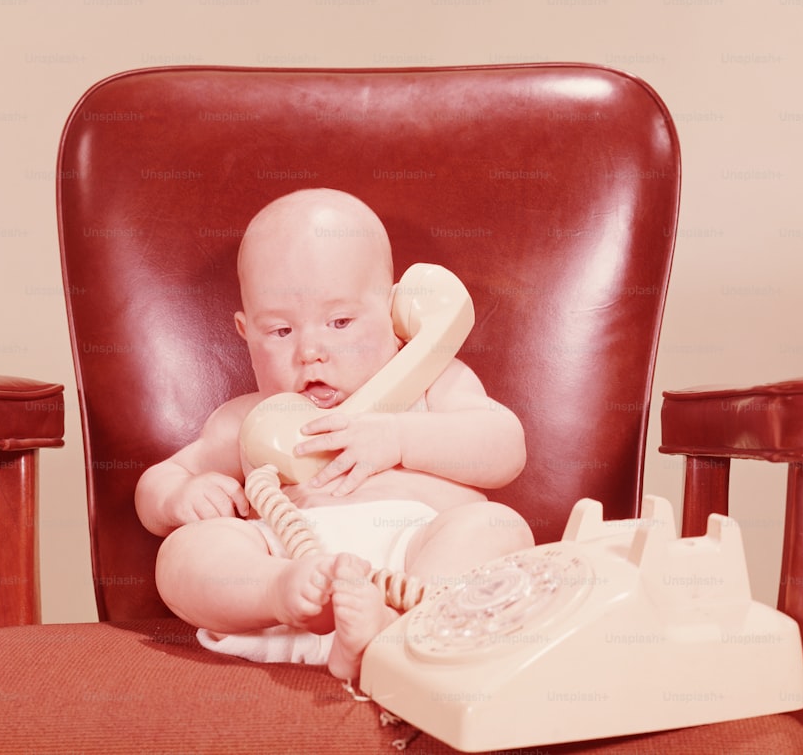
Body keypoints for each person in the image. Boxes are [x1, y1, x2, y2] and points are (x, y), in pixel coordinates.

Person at [135, 188, 533, 681]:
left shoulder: (434, 383)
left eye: (340, 322)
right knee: (183, 552)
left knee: (497, 527)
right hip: (288, 580)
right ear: (245, 332)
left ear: (394, 314)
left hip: (415, 570)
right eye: (280, 332)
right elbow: (162, 480)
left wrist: (401, 438)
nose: (311, 352)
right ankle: (279, 593)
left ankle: (395, 630)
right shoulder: (252, 419)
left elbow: (504, 446)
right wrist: (178, 496)